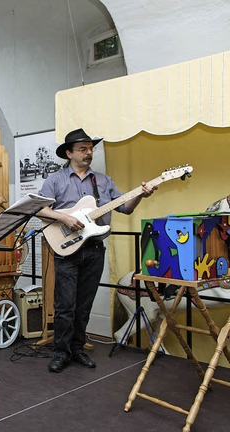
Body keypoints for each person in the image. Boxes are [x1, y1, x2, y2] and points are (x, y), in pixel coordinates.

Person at [37, 128, 156, 373]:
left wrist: (141, 195)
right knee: (65, 305)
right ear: (69, 153)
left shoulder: (102, 181)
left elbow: (126, 208)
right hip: (66, 249)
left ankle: (78, 348)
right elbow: (39, 209)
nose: (88, 153)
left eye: (91, 148)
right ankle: (61, 352)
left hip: (94, 249)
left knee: (84, 304)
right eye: (83, 149)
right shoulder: (55, 180)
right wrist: (65, 218)